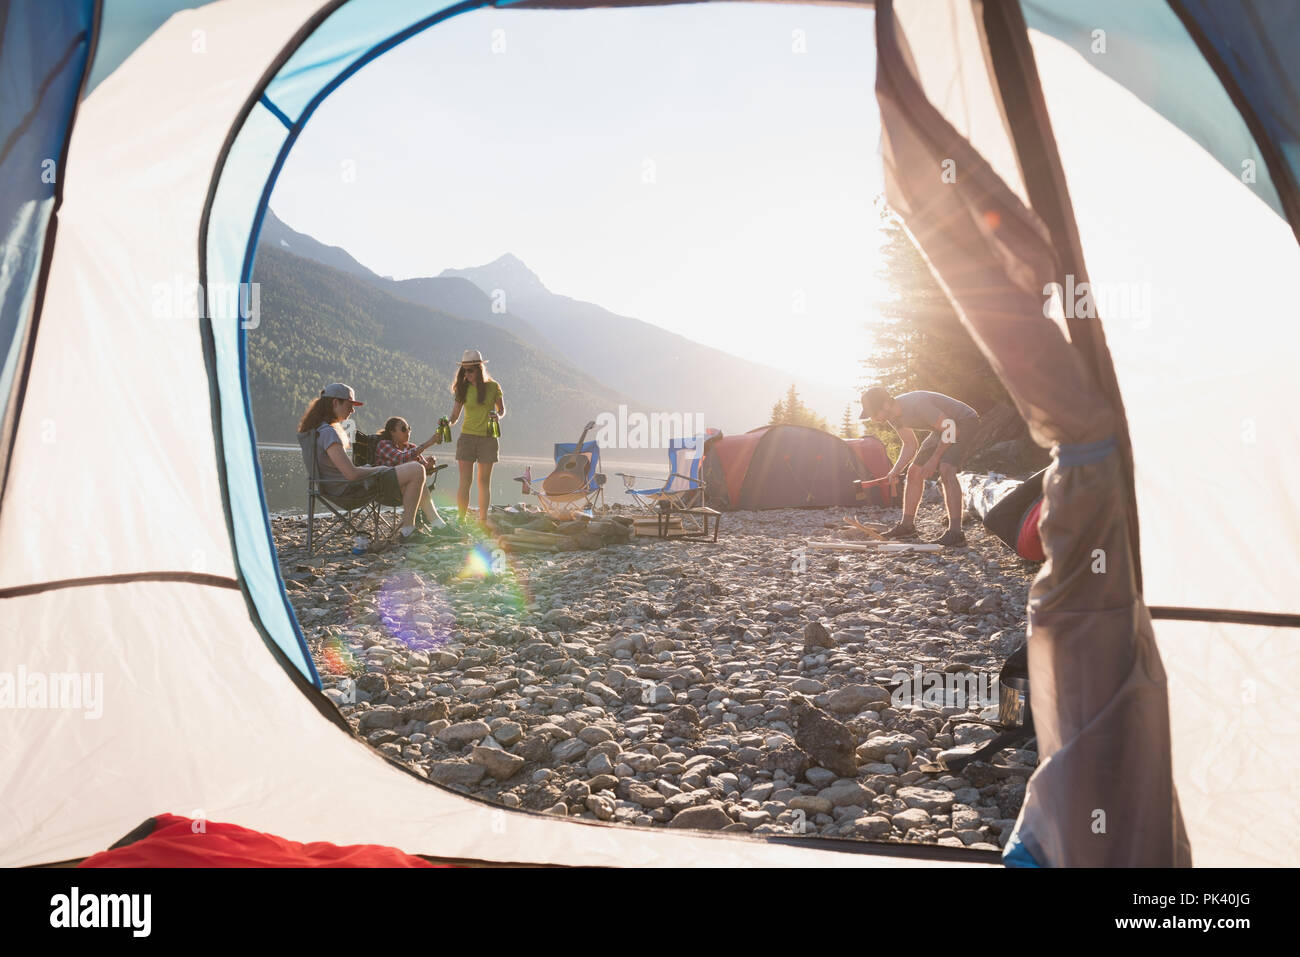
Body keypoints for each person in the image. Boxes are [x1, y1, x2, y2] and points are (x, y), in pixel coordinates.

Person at [297, 384, 431, 544]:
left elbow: (347, 472)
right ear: (335, 403)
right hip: (350, 490)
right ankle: (409, 530)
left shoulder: (316, 430)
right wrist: (379, 468)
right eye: (349, 405)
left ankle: (425, 524)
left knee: (412, 473)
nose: (352, 410)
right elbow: (351, 474)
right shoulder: (327, 433)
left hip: (336, 488)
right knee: (416, 469)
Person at [860, 386, 980, 546]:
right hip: (944, 427)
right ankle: (907, 526)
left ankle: (956, 533)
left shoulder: (917, 404)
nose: (873, 419)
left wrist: (934, 460)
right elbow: (910, 444)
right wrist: (895, 471)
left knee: (946, 469)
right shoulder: (894, 417)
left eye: (874, 414)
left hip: (964, 422)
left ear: (886, 405)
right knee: (914, 472)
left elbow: (951, 428)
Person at [445, 349, 504, 525]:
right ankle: (461, 518)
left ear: (479, 368)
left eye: (471, 370)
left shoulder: (494, 386)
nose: (467, 373)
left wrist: (498, 416)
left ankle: (483, 519)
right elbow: (454, 415)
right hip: (467, 438)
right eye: (464, 370)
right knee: (465, 481)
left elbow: (501, 410)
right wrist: (445, 425)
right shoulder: (462, 389)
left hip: (488, 438)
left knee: (483, 482)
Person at [373, 416, 450, 530]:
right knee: (417, 481)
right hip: (386, 490)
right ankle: (436, 523)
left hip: (409, 490)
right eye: (403, 429)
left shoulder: (412, 448)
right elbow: (400, 458)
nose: (408, 431)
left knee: (418, 480)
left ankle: (418, 527)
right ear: (392, 432)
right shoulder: (384, 445)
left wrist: (429, 465)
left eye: (409, 428)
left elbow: (424, 472)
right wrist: (428, 443)